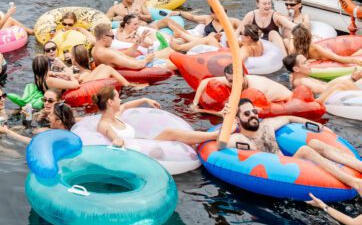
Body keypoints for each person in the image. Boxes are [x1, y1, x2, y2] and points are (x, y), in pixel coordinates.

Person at [226, 98, 362, 193]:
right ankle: (352, 181)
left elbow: (289, 118)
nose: (252, 116)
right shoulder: (239, 138)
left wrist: (318, 126)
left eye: (254, 112)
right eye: (246, 113)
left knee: (314, 143)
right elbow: (221, 144)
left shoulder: (267, 126)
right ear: (237, 119)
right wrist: (227, 123)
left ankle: (359, 167)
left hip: (290, 166)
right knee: (304, 150)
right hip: (274, 175)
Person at [94, 86, 226, 148]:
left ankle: (205, 139)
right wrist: (116, 140)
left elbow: (126, 106)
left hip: (144, 144)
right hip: (138, 152)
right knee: (170, 132)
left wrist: (145, 99)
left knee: (186, 142)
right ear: (110, 102)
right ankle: (215, 135)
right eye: (117, 97)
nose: (120, 100)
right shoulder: (104, 124)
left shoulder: (116, 116)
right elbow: (113, 136)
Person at [192, 63, 292, 111]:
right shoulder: (232, 79)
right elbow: (205, 81)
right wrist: (195, 103)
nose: (235, 84)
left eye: (237, 80)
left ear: (244, 76)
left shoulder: (256, 88)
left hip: (288, 100)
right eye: (231, 81)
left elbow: (255, 110)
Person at [92, 23, 171, 70]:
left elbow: (125, 54)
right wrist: (147, 59)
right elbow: (137, 65)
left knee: (169, 51)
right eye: (112, 37)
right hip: (141, 64)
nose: (113, 40)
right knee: (174, 58)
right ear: (104, 37)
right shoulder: (106, 53)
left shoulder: (97, 49)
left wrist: (138, 41)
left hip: (138, 60)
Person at [283, 53, 362, 98]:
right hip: (330, 99)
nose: (309, 63)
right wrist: (353, 79)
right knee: (348, 83)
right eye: (304, 63)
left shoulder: (295, 77)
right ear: (296, 69)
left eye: (307, 61)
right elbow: (325, 90)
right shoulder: (303, 81)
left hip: (327, 92)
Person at [285, 24, 362, 67]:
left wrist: (355, 60)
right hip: (330, 57)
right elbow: (338, 58)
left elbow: (337, 58)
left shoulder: (309, 48)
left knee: (285, 40)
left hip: (332, 54)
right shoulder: (310, 47)